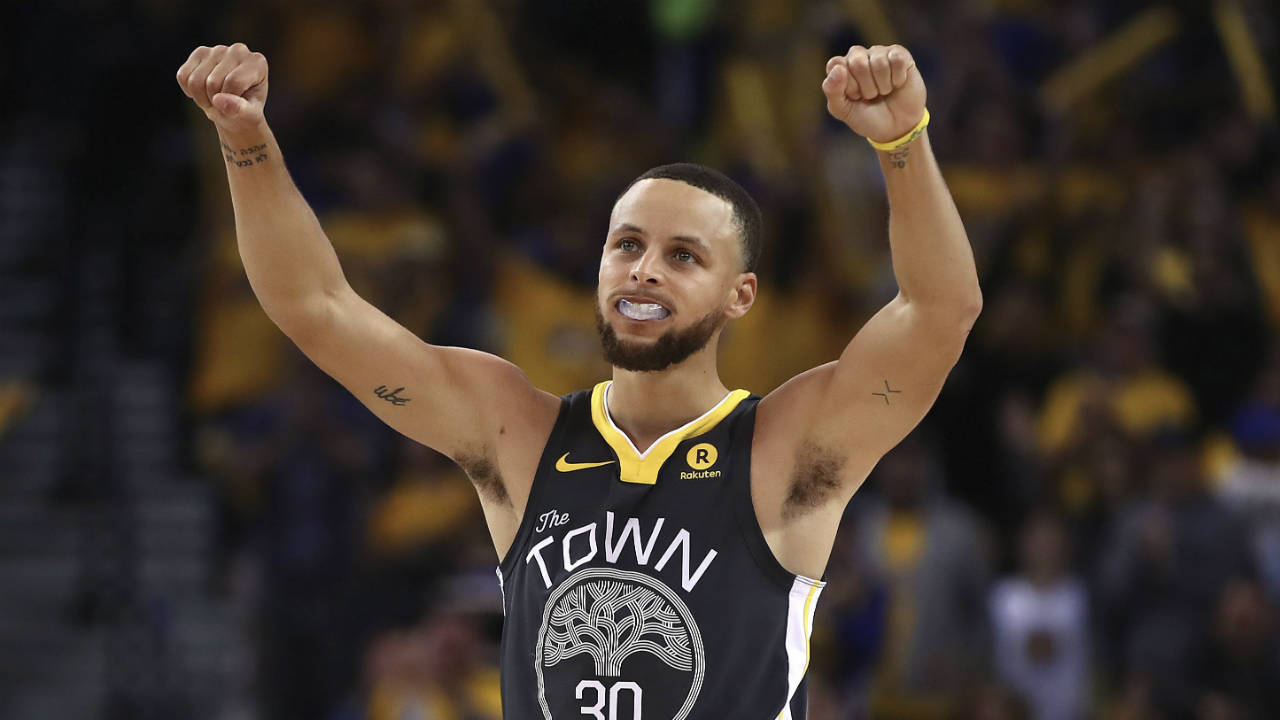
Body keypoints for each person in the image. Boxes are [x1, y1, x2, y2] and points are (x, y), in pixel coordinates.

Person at [176, 40, 981, 719]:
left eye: (683, 255)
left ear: (743, 297)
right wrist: (246, 141)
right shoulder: (516, 434)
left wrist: (902, 141)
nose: (645, 271)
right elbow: (314, 307)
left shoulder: (783, 447)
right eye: (626, 245)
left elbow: (940, 312)